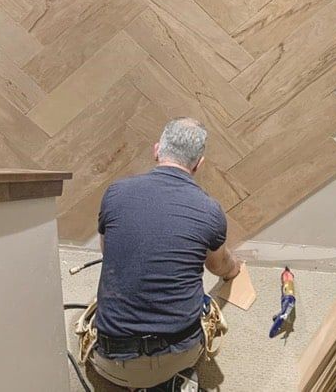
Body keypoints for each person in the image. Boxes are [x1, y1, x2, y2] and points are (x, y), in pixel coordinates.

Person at [91, 117, 241, 391]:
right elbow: (219, 267)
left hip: (110, 361)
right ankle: (170, 381)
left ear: (157, 149)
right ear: (198, 164)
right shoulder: (209, 210)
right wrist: (234, 270)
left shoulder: (115, 193)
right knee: (205, 305)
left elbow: (107, 253)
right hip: (176, 356)